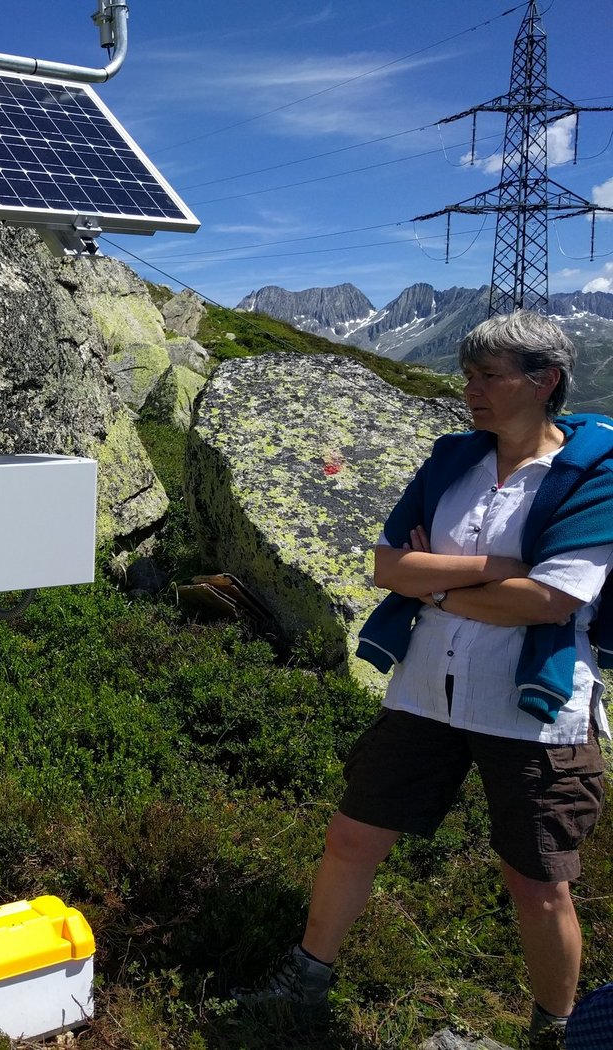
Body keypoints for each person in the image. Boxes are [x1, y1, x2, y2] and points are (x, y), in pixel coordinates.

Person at [239, 311, 613, 1048]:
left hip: (533, 707)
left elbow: (550, 599)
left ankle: (556, 1034)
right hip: (426, 689)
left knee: (538, 885)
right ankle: (305, 980)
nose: (469, 388)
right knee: (351, 838)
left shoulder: (593, 477)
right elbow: (387, 566)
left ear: (546, 383)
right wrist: (490, 572)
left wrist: (434, 586)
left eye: (488, 376)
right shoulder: (452, 461)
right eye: (468, 374)